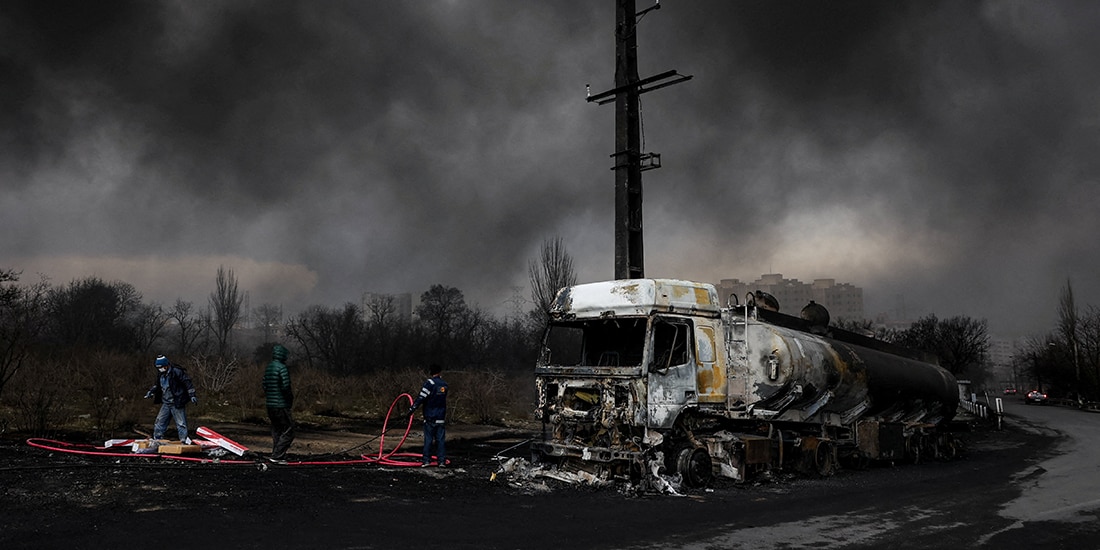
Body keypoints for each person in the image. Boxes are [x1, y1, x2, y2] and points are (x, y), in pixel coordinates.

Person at [144, 355, 197, 444]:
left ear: (166, 365)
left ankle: (183, 441)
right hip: (166, 403)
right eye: (158, 368)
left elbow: (187, 382)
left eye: (161, 367)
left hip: (177, 402)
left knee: (181, 424)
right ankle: (157, 440)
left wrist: (192, 395)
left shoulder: (176, 372)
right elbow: (157, 385)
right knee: (159, 422)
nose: (160, 369)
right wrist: (151, 392)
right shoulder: (161, 374)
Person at [408, 363, 448, 467]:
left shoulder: (429, 384)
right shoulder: (444, 385)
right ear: (440, 372)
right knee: (440, 440)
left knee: (428, 440)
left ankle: (426, 461)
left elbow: (421, 397)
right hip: (441, 417)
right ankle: (441, 461)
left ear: (430, 372)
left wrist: (412, 409)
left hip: (430, 416)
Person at [262, 344, 295, 462]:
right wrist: (290, 399)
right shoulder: (282, 368)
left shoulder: (269, 367)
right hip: (281, 404)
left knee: (277, 430)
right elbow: (286, 387)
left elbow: (264, 385)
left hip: (270, 404)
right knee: (289, 430)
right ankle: (277, 456)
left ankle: (276, 454)